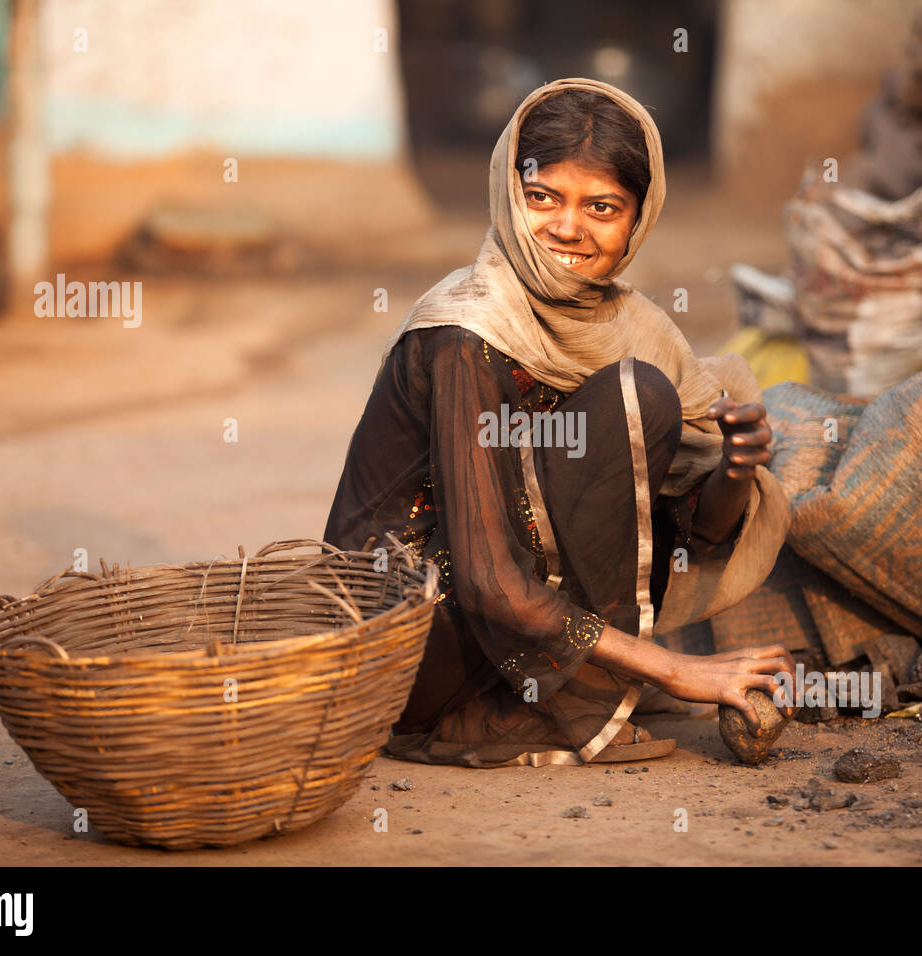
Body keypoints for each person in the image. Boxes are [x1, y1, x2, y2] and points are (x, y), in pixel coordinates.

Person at [324, 78, 794, 768]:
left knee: (645, 399)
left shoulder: (631, 327)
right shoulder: (468, 331)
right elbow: (486, 578)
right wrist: (676, 668)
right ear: (509, 195)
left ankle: (574, 686)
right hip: (407, 642)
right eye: (542, 197)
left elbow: (700, 531)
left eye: (601, 207)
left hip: (496, 621)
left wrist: (735, 469)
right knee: (633, 399)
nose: (567, 228)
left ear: (638, 219)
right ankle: (557, 701)